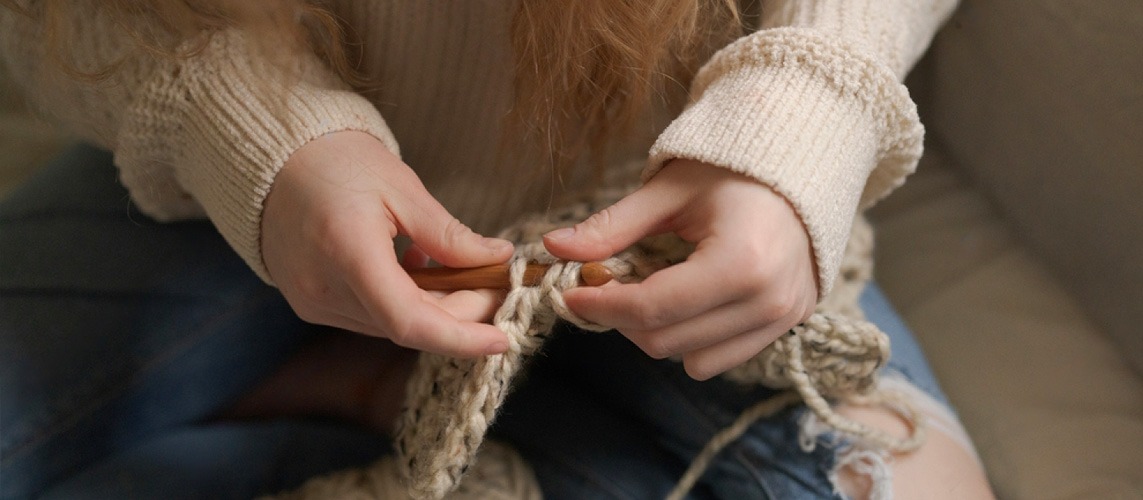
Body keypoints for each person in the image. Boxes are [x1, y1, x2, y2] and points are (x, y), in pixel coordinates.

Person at [0, 0, 994, 498]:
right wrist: (245, 125)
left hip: (678, 187)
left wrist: (805, 112)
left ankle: (381, 394)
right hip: (230, 171)